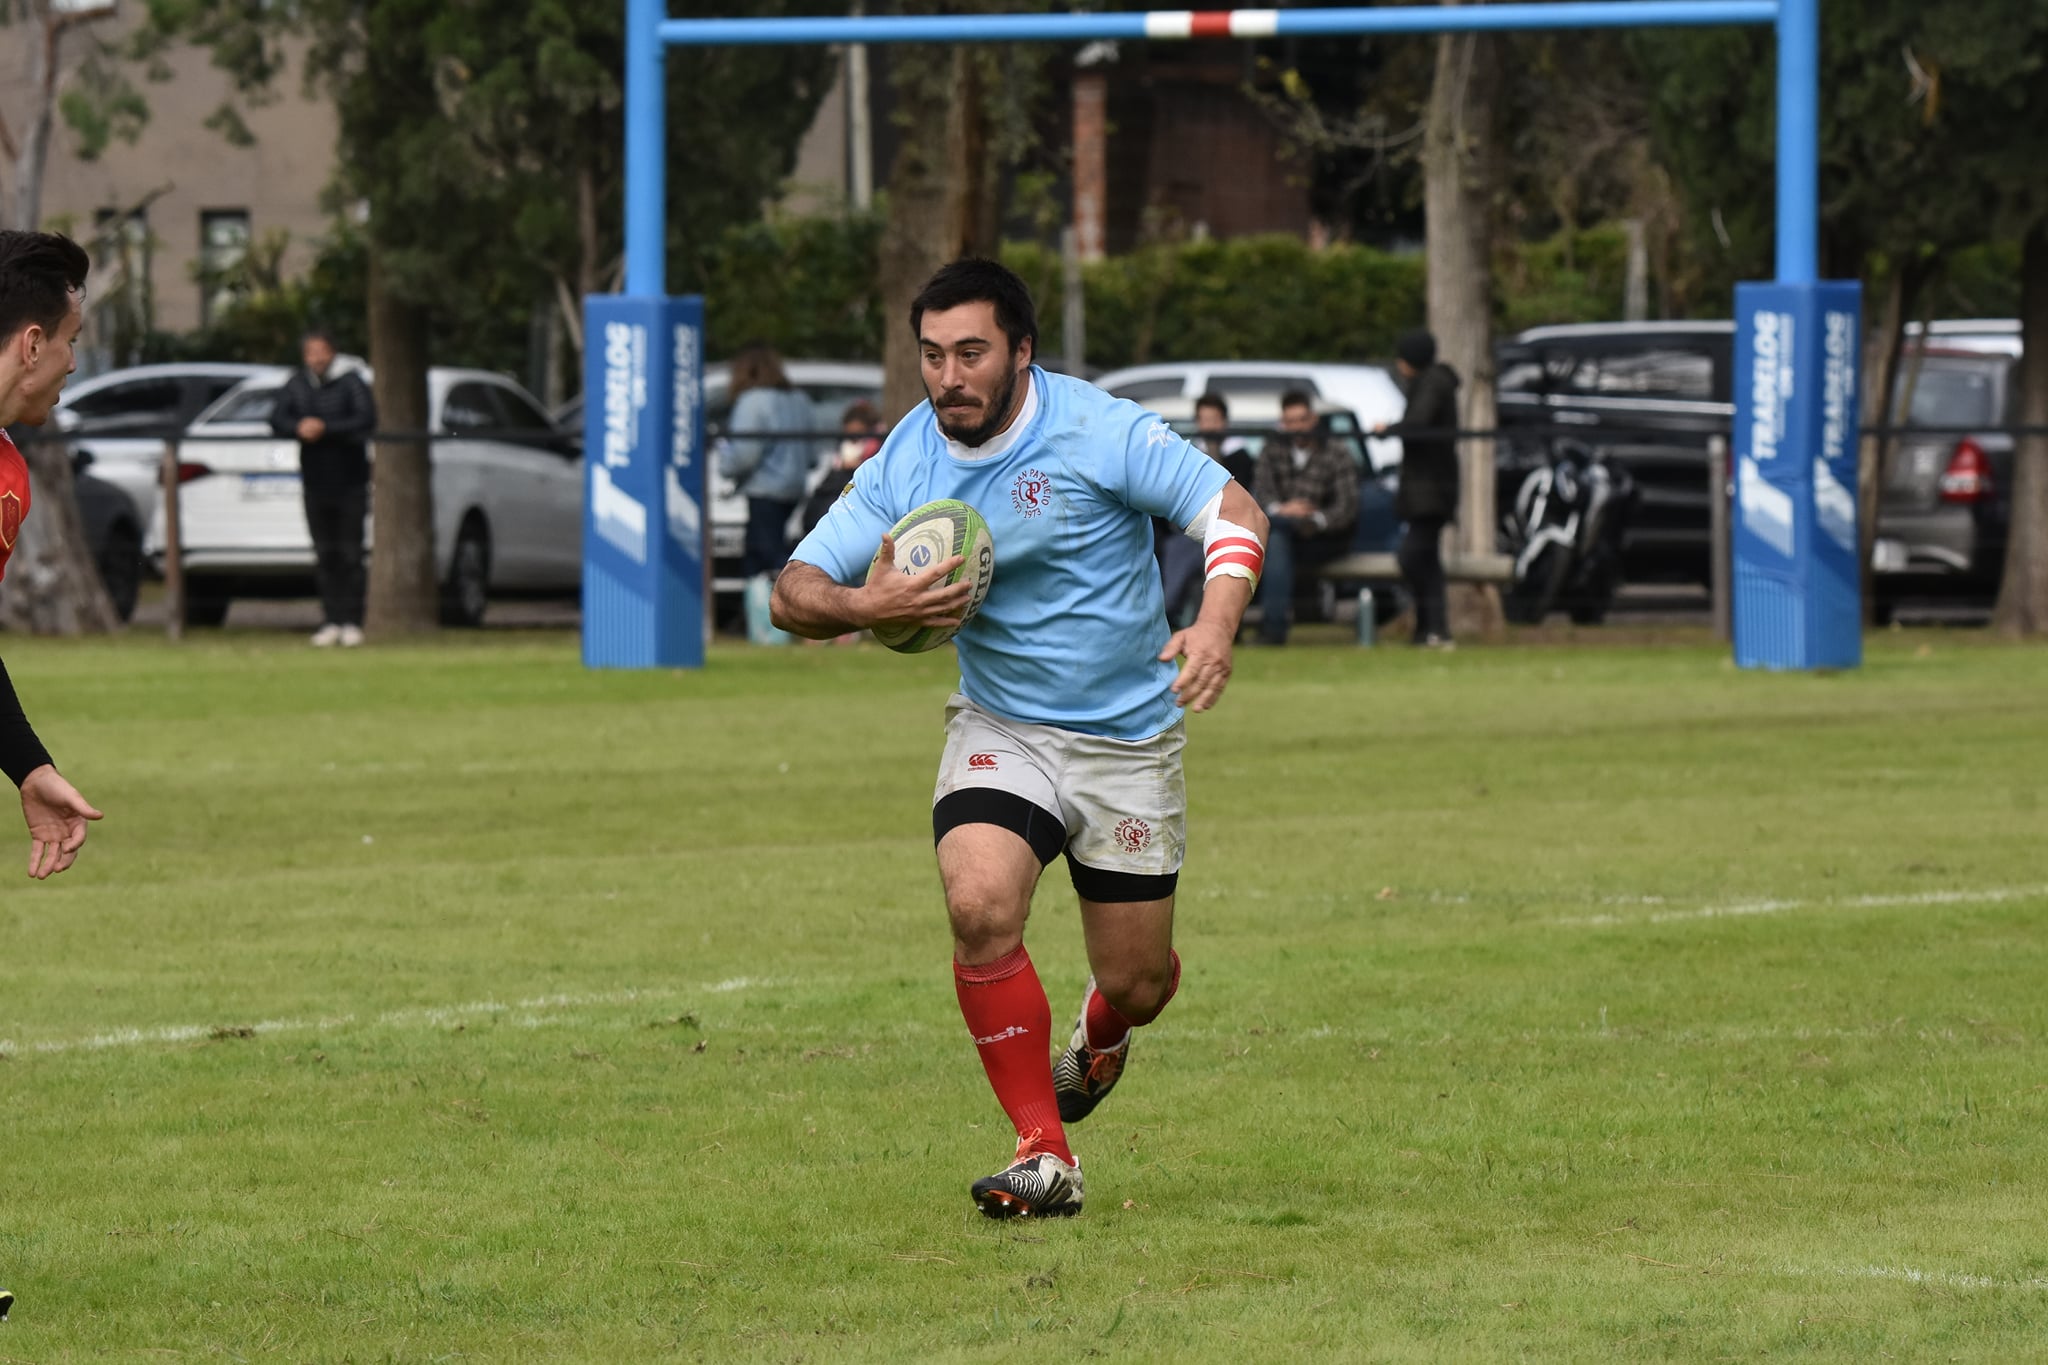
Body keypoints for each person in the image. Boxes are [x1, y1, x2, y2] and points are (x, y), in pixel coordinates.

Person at [771, 259, 1270, 1219]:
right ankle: (1045, 1152)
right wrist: (861, 602)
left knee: (1142, 979)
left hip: (1128, 741)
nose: (948, 376)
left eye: (971, 352)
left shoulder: (1097, 429)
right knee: (978, 901)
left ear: (1021, 352)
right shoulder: (906, 458)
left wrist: (1213, 625)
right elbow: (792, 587)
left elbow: (1232, 512)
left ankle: (1104, 1021)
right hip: (1004, 725)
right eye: (931, 355)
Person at [0, 230, 106, 880]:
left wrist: (28, 764)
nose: (72, 362)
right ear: (33, 343)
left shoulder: (9, 476)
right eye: (71, 339)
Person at [270, 328, 376, 647]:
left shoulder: (352, 382)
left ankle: (353, 622)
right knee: (325, 553)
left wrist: (325, 429)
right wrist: (298, 427)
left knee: (351, 552)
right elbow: (277, 418)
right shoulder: (297, 383)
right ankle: (331, 619)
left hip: (350, 481)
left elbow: (365, 419)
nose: (316, 358)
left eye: (322, 351)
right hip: (315, 482)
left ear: (333, 352)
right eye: (310, 352)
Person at [1250, 389, 1358, 645]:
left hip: (1325, 537)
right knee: (1278, 537)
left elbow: (1347, 506)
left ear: (1313, 420)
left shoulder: (1337, 451)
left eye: (1302, 420)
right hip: (1282, 532)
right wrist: (1284, 510)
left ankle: (1272, 630)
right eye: (1290, 422)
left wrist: (1315, 518)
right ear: (1283, 423)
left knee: (1275, 538)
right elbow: (1261, 493)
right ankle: (1271, 628)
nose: (1297, 427)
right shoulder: (1272, 449)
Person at [1375, 329, 1462, 647]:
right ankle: (1431, 629)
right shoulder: (1434, 384)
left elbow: (1419, 423)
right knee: (1427, 560)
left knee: (1412, 557)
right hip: (1430, 488)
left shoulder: (1431, 385)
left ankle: (1433, 627)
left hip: (1431, 490)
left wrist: (1390, 430)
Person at [1155, 391, 1255, 627]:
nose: (1209, 426)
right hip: (1185, 529)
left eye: (1214, 420)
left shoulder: (1240, 458)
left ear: (1225, 422)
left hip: (1223, 530)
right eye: (1204, 420)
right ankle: (1170, 612)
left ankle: (1176, 613)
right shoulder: (1186, 454)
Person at [724, 344, 817, 581]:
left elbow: (744, 455)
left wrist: (724, 465)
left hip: (765, 489)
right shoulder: (799, 399)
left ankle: (777, 607)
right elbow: (812, 456)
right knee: (768, 550)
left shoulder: (753, 401)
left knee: (766, 555)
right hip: (795, 487)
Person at [800, 398, 884, 537]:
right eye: (850, 436)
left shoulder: (876, 457)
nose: (853, 442)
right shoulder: (839, 459)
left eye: (858, 436)